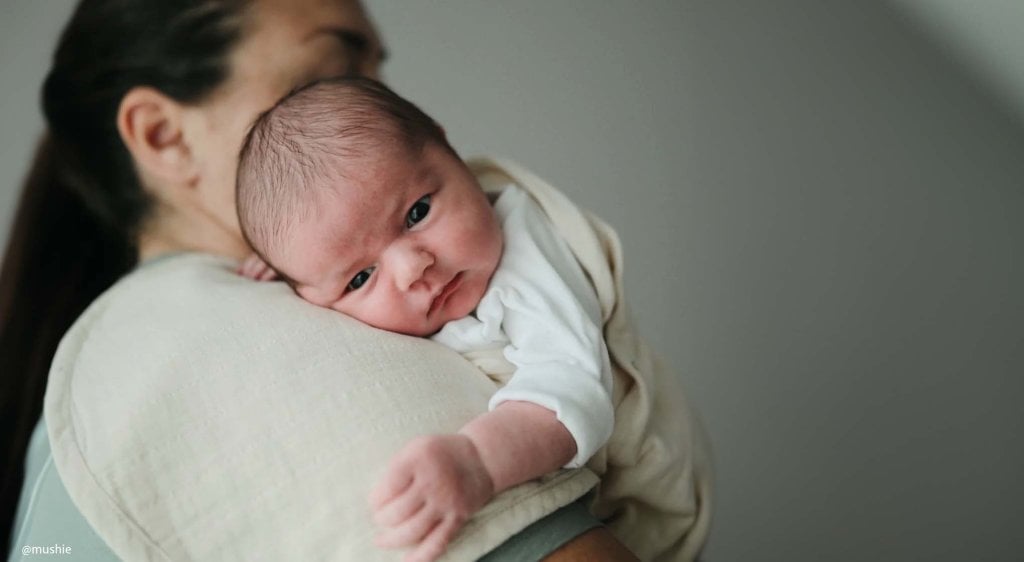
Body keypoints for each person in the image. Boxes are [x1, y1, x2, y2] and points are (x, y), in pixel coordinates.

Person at [0, 0, 647, 560]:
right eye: (336, 69)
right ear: (165, 136)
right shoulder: (247, 342)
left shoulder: (112, 359)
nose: (378, 102)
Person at [235, 77, 616, 558]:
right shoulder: (318, 277)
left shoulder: (527, 263)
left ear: (446, 145)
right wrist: (295, 265)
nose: (414, 268)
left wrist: (478, 462)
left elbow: (572, 389)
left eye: (417, 212)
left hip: (645, 490)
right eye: (360, 278)